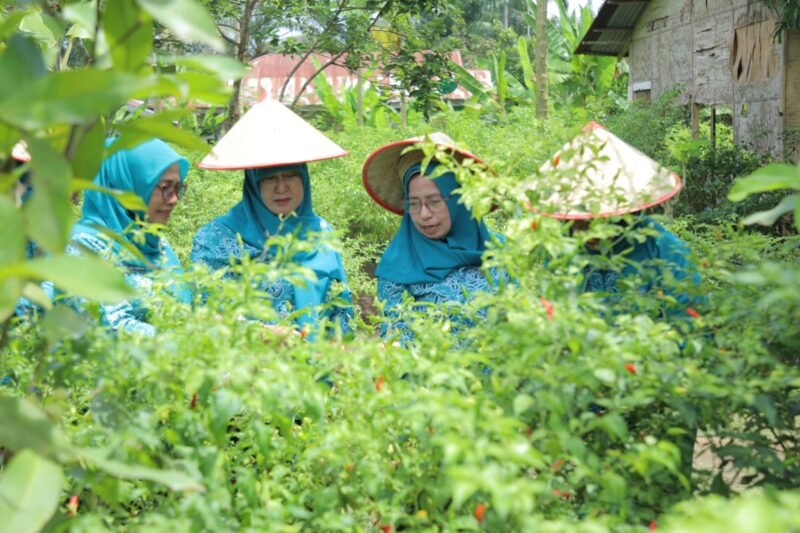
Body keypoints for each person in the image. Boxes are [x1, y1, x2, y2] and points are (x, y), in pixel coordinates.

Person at [190, 100, 352, 336]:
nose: (281, 187)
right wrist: (264, 334)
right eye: (269, 178)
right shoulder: (216, 240)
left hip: (319, 368)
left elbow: (340, 311)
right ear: (253, 183)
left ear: (304, 179)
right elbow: (206, 315)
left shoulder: (322, 233)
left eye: (290, 176)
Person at [532, 122, 704, 317]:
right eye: (577, 216)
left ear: (622, 209)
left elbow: (689, 326)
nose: (584, 228)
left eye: (597, 217)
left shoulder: (667, 252)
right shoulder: (562, 252)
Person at [362, 133, 509, 344]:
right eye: (413, 204)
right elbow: (398, 343)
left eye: (434, 201)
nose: (424, 214)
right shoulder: (400, 266)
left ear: (459, 199)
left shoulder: (502, 252)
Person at [67, 138, 190, 336]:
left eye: (178, 188)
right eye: (165, 187)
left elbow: (184, 311)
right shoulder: (83, 246)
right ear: (125, 186)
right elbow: (110, 327)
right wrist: (189, 340)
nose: (174, 199)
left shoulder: (156, 244)